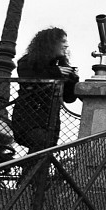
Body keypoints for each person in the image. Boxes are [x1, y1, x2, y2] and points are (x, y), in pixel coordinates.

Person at [11, 26, 79, 154]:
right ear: (51, 43)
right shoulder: (28, 61)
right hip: (28, 118)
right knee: (40, 145)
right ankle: (30, 174)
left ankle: (32, 174)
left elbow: (69, 98)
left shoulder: (61, 66)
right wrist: (55, 73)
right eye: (63, 41)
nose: (66, 45)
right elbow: (28, 78)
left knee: (45, 153)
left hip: (51, 122)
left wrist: (71, 80)